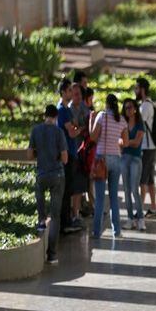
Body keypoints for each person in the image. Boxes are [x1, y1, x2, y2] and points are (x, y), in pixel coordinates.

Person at [28, 104, 68, 264]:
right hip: (57, 175)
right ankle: (52, 255)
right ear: (56, 117)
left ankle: (41, 220)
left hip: (42, 173)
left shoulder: (35, 130)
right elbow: (65, 158)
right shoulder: (59, 132)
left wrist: (40, 153)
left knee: (39, 191)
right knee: (56, 216)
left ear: (44, 115)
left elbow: (30, 154)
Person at [89, 94, 125, 239]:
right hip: (116, 159)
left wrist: (91, 120)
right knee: (114, 197)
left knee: (99, 199)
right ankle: (117, 231)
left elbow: (93, 137)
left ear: (106, 104)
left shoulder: (102, 117)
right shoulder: (121, 119)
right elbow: (126, 141)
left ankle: (96, 232)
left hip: (101, 160)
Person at [56, 78, 84, 232]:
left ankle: (68, 221)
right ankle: (65, 223)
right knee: (66, 190)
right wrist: (79, 130)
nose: (72, 93)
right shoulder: (61, 110)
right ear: (63, 92)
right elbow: (72, 132)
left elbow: (74, 124)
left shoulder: (67, 109)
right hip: (67, 154)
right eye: (68, 91)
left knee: (70, 188)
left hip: (72, 153)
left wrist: (75, 127)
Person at [120, 99, 146, 231]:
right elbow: (119, 141)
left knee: (135, 190)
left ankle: (140, 218)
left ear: (135, 108)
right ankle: (130, 218)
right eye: (125, 108)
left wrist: (124, 142)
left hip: (136, 159)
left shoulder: (140, 124)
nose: (128, 110)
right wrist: (125, 142)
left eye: (130, 107)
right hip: (124, 158)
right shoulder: (122, 123)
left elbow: (136, 142)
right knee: (126, 190)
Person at [135, 77, 156, 219]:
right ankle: (153, 208)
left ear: (142, 90)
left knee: (142, 180)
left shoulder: (145, 106)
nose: (135, 91)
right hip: (150, 146)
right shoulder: (147, 104)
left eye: (137, 88)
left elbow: (138, 124)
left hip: (147, 147)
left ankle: (140, 210)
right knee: (149, 179)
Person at [69, 83, 90, 218]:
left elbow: (89, 126)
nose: (78, 97)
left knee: (79, 187)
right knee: (72, 186)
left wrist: (80, 128)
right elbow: (72, 131)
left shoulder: (84, 108)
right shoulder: (68, 109)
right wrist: (81, 128)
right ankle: (71, 213)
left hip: (83, 153)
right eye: (75, 94)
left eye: (80, 94)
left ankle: (76, 213)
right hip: (71, 152)